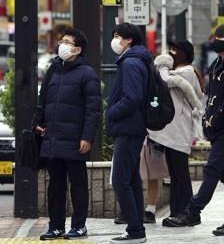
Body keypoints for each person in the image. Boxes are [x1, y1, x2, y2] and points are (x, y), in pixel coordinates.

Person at [167, 24, 224, 236]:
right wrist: (208, 119)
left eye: (220, 37)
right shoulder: (219, 63)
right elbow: (213, 95)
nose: (215, 40)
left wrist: (216, 119)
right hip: (219, 127)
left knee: (212, 168)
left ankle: (193, 211)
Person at [35, 29, 101, 241]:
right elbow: (42, 101)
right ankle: (55, 226)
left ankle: (79, 226)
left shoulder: (87, 74)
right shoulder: (53, 70)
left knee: (78, 184)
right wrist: (38, 123)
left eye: (66, 42)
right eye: (61, 41)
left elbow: (93, 110)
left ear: (77, 49)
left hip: (75, 139)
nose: (61, 45)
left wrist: (87, 137)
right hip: (53, 137)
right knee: (55, 185)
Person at [145, 40, 203, 227]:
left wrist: (162, 63)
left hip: (179, 130)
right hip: (174, 130)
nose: (172, 53)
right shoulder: (184, 71)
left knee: (180, 174)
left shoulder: (186, 71)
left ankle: (185, 212)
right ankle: (179, 211)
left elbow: (164, 80)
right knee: (177, 173)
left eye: (175, 50)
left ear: (185, 53)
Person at [107, 23, 152, 244]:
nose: (114, 40)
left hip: (128, 126)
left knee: (120, 180)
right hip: (133, 126)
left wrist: (112, 111)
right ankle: (137, 229)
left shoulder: (131, 63)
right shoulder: (135, 60)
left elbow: (133, 97)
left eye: (118, 36)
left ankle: (135, 230)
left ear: (129, 40)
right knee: (132, 178)